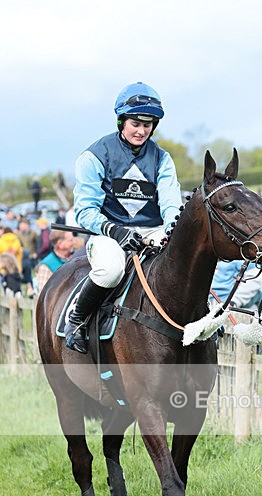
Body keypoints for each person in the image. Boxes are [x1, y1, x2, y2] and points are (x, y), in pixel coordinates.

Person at [65, 81, 182, 353]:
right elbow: (85, 211)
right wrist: (114, 230)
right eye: (135, 124)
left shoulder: (162, 159)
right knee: (111, 270)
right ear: (121, 121)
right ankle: (77, 320)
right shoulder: (93, 156)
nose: (142, 131)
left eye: (148, 124)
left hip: (152, 230)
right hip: (108, 234)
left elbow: (171, 205)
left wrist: (171, 231)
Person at [34, 229, 76, 294]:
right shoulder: (46, 266)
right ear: (60, 244)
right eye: (70, 240)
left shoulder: (76, 257)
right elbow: (44, 296)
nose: (74, 242)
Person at [16, 218, 39, 297]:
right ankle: (29, 290)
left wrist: (36, 252)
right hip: (24, 258)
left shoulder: (33, 233)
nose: (21, 227)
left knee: (35, 273)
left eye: (23, 225)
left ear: (27, 225)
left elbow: (38, 242)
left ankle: (36, 289)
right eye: (20, 226)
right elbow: (18, 245)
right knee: (27, 274)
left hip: (33, 257)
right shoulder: (18, 234)